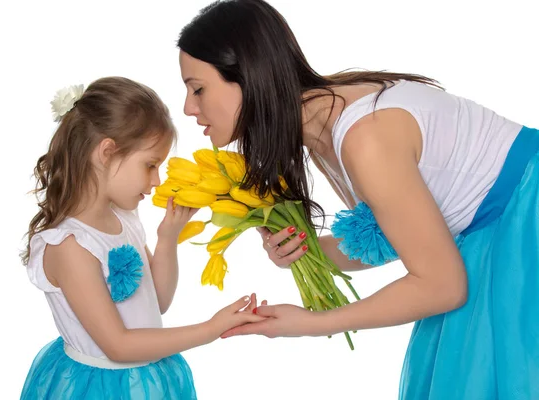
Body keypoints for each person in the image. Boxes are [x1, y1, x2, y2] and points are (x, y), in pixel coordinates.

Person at [177, 1, 539, 398]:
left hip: (524, 219)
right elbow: (395, 240)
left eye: (198, 88)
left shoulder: (363, 138)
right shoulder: (320, 124)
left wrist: (313, 322)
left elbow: (442, 286)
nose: (189, 107)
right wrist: (311, 252)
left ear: (248, 76)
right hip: (496, 231)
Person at [20, 77, 265, 399]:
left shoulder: (123, 219)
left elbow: (158, 301)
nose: (157, 180)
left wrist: (167, 238)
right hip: (96, 387)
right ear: (106, 153)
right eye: (150, 165)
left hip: (148, 377)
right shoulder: (70, 246)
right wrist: (209, 329)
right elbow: (118, 345)